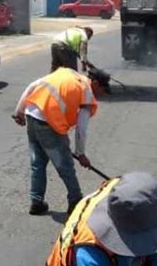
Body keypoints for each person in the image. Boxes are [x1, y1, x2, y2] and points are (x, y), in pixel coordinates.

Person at [12, 66, 102, 216]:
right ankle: (75, 201)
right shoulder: (86, 92)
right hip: (49, 124)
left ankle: (36, 201)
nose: (101, 96)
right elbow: (81, 129)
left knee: (38, 163)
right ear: (97, 84)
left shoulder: (68, 73)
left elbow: (33, 85)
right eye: (103, 91)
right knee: (65, 166)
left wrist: (19, 111)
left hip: (32, 115)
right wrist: (81, 154)